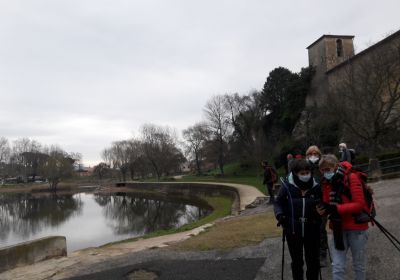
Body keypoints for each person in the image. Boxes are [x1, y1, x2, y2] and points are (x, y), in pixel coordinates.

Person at [317, 154, 369, 280]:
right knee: (337, 265)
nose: (325, 172)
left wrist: (336, 209)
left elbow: (359, 205)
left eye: (327, 169)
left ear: (336, 166)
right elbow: (327, 204)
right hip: (338, 227)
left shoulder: (351, 178)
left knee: (359, 264)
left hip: (356, 227)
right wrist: (322, 210)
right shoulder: (325, 182)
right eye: (322, 170)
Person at [274, 159, 322, 280]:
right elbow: (278, 203)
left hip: (312, 229)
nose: (305, 175)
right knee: (297, 262)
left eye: (307, 172)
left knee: (313, 262)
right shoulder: (287, 186)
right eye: (302, 173)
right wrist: (280, 215)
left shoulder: (316, 186)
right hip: (293, 230)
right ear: (295, 173)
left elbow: (323, 202)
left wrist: (321, 210)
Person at [305, 145, 328, 267]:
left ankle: (322, 254)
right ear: (307, 155)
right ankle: (314, 252)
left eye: (315, 154)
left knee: (320, 229)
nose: (313, 156)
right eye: (310, 154)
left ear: (319, 155)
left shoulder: (323, 167)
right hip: (308, 204)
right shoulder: (304, 168)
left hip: (321, 203)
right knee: (310, 230)